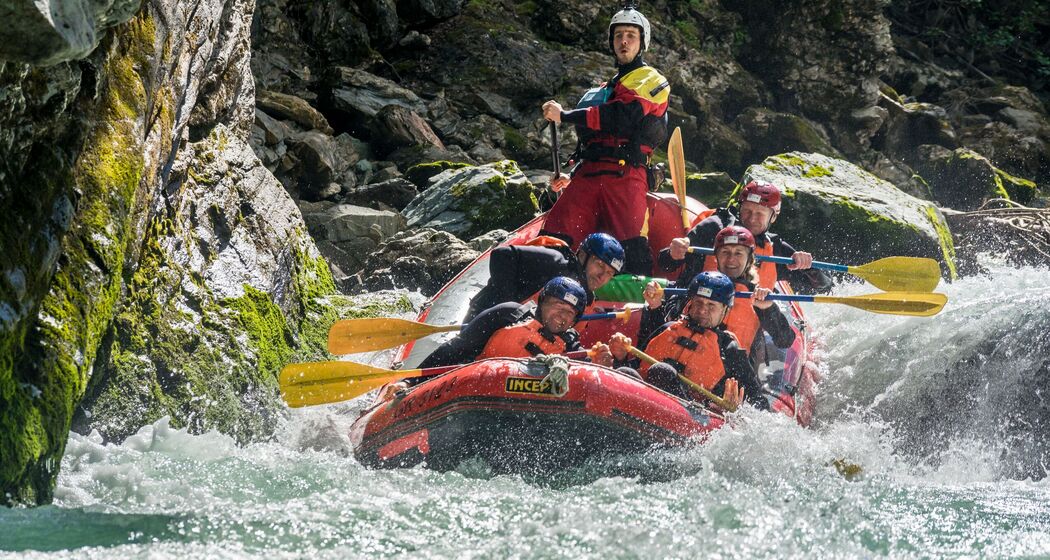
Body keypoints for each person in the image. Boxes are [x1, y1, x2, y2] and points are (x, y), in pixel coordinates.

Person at [539, 3, 669, 276]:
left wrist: (565, 115)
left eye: (631, 35)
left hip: (627, 174)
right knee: (554, 239)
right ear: (611, 42)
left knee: (631, 247)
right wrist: (570, 173)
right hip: (588, 174)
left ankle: (637, 310)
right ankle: (544, 292)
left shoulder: (652, 79)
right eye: (618, 35)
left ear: (642, 41)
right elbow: (587, 143)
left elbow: (623, 116)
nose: (624, 41)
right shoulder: (597, 92)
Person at [609, 272, 767, 410]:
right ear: (690, 304)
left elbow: (759, 403)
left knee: (662, 372)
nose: (703, 310)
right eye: (698, 302)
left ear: (724, 310)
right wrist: (620, 358)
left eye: (711, 305)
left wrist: (735, 408)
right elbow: (636, 367)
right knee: (625, 373)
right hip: (644, 401)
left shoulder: (729, 349)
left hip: (691, 412)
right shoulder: (668, 328)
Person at [416, 277, 614, 379]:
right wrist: (409, 381)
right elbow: (455, 349)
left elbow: (585, 372)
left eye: (570, 313)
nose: (562, 316)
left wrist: (603, 364)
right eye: (557, 306)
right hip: (476, 391)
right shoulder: (507, 314)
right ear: (542, 302)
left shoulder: (570, 344)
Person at [658, 180, 833, 293]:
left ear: (773, 216)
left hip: (744, 326)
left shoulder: (775, 248)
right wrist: (674, 253)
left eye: (759, 214)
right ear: (739, 208)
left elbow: (824, 285)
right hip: (699, 309)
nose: (751, 218)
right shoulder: (714, 227)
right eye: (747, 211)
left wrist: (809, 267)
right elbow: (665, 264)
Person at [464, 233, 625, 322]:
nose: (602, 276)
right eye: (600, 265)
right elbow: (502, 255)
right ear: (582, 256)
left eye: (610, 273)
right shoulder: (556, 261)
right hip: (481, 320)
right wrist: (508, 305)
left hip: (516, 338)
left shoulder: (585, 298)